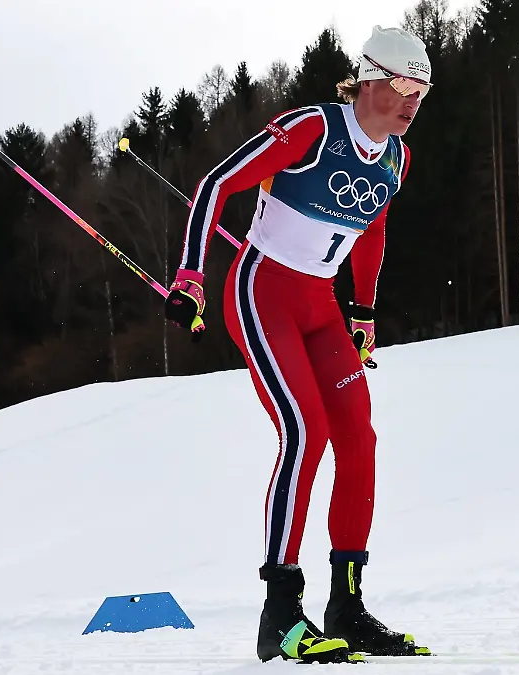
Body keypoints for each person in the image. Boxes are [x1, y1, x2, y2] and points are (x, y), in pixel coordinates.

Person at [162, 26, 433, 664]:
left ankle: (348, 604)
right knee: (305, 432)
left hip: (321, 306)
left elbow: (372, 230)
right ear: (368, 79)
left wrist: (363, 309)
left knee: (359, 439)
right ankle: (281, 614)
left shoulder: (397, 156)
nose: (412, 103)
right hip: (262, 293)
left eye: (422, 93)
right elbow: (214, 186)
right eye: (402, 88)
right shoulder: (314, 127)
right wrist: (191, 276)